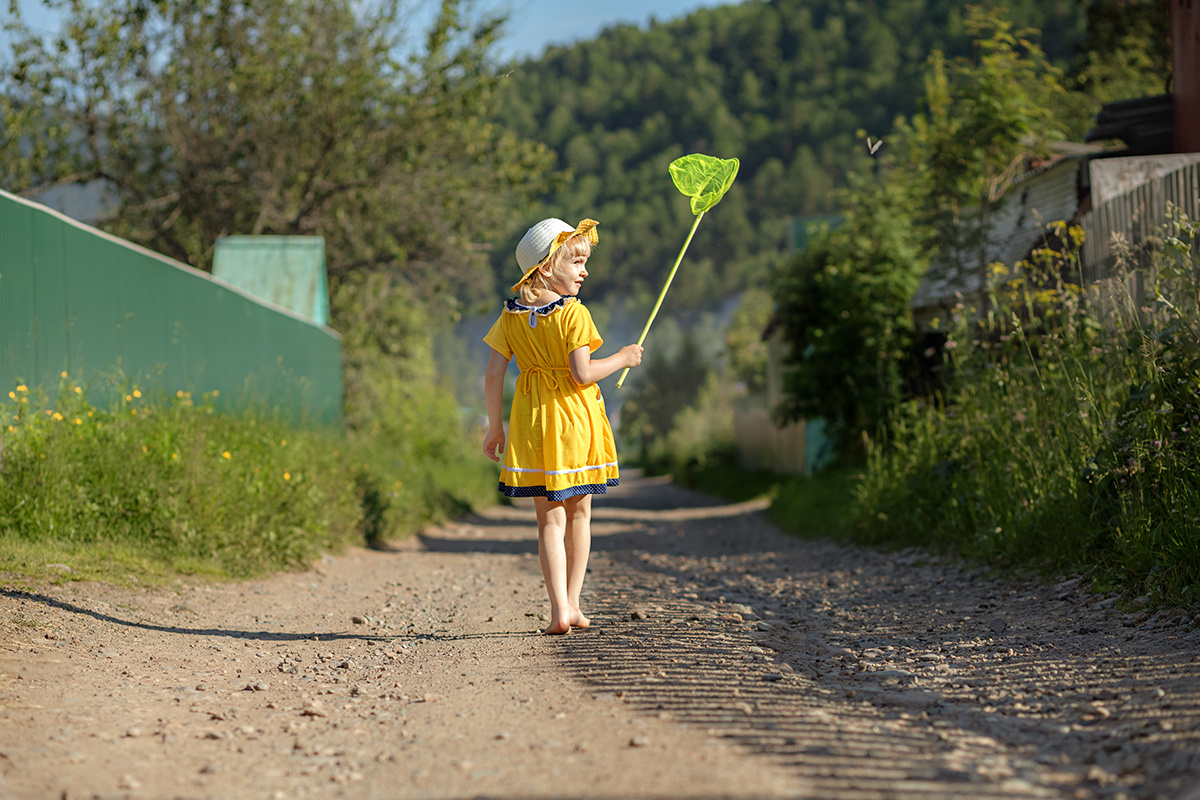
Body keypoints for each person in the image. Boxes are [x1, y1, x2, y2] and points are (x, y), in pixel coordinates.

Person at [482, 218, 643, 635]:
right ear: (547, 266)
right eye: (577, 262)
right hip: (573, 421)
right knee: (580, 514)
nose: (584, 271)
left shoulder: (510, 316)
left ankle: (557, 610)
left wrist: (495, 427)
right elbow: (582, 373)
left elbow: (493, 376)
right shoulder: (573, 314)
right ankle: (573, 604)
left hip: (532, 423)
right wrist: (623, 358)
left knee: (548, 522)